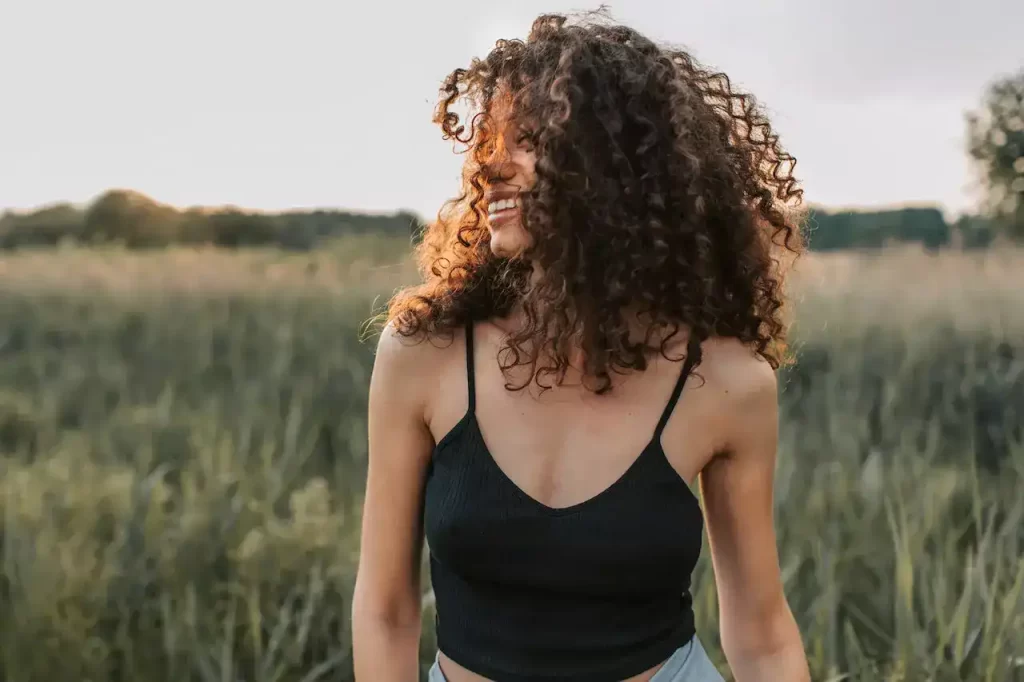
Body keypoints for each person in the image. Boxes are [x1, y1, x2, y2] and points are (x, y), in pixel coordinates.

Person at [352, 10, 811, 682]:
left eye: (531, 140)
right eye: (491, 142)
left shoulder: (726, 384)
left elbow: (763, 632)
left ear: (618, 171)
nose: (494, 167)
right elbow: (386, 607)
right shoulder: (426, 350)